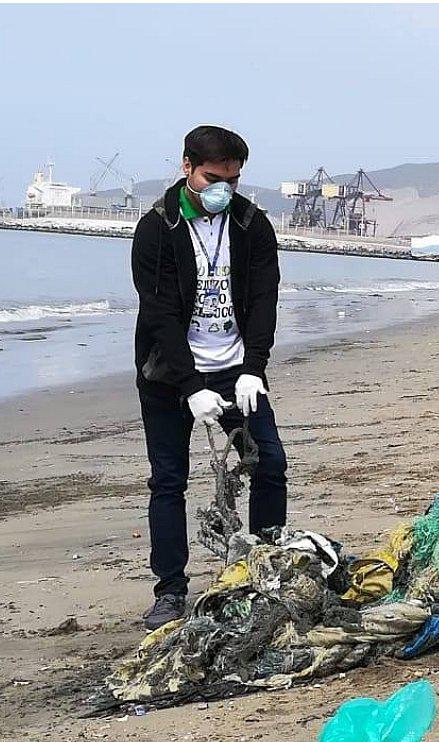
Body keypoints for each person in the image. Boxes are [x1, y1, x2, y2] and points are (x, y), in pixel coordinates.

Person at [131, 125, 287, 630]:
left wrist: (253, 369)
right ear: (187, 168)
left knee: (269, 464)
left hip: (236, 371)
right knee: (169, 481)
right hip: (169, 376)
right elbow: (158, 313)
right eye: (214, 177)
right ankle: (170, 591)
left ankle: (266, 568)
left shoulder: (251, 225)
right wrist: (190, 385)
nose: (225, 188)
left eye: (234, 180)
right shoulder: (157, 227)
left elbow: (264, 299)